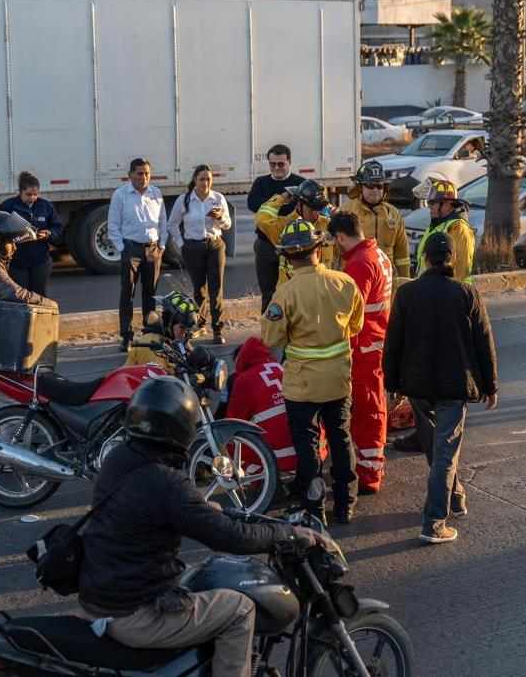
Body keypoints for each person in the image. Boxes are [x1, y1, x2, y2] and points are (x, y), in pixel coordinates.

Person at [77, 375, 321, 677]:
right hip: (133, 613)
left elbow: (148, 509)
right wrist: (288, 534)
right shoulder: (168, 482)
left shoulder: (120, 458)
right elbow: (232, 538)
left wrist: (200, 509)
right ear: (180, 428)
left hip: (103, 594)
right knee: (240, 609)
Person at [384, 233, 498, 545]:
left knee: (438, 447)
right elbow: (484, 343)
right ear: (453, 259)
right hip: (454, 385)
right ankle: (434, 522)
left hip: (417, 385)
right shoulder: (467, 293)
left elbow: (393, 343)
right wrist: (490, 386)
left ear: (425, 259)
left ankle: (456, 498)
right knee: (445, 451)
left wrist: (391, 385)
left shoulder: (407, 294)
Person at [260, 219, 363, 524]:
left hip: (302, 385)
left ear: (287, 257)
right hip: (338, 381)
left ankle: (315, 508)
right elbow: (355, 325)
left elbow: (272, 338)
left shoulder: (285, 293)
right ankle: (346, 503)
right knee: (341, 439)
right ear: (319, 248)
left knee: (308, 449)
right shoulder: (344, 282)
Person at [328, 211, 393, 494]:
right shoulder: (376, 254)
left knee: (367, 411)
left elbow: (346, 315)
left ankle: (368, 473)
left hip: (364, 349)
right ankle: (369, 465)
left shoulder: (359, 265)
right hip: (375, 344)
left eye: (335, 240)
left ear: (341, 236)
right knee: (370, 407)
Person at [168, 165, 232, 344]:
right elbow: (172, 224)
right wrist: (181, 244)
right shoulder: (185, 199)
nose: (206, 182)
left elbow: (227, 225)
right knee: (199, 290)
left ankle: (218, 329)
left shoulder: (218, 198)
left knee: (216, 288)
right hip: (193, 247)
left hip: (215, 246)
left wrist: (219, 218)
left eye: (209, 179)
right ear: (195, 180)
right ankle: (200, 324)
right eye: (202, 179)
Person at [109, 158, 167, 352]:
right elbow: (113, 225)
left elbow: (162, 222)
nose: (144, 177)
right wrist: (122, 249)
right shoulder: (121, 195)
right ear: (130, 175)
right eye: (140, 173)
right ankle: (126, 336)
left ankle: (149, 334)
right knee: (128, 293)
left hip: (152, 250)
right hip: (131, 250)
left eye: (147, 173)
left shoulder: (156, 193)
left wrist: (162, 246)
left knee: (151, 295)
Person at [246, 144, 305, 312]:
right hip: (265, 245)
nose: (276, 168)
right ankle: (268, 331)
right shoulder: (261, 182)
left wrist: (269, 205)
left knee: (294, 290)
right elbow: (252, 204)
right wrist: (280, 200)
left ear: (289, 162)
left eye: (281, 164)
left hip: (294, 245)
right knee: (268, 292)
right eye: (273, 164)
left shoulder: (300, 183)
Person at [223, 336, 294, 473]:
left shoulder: (244, 380)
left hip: (276, 456)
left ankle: (261, 482)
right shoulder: (282, 368)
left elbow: (233, 420)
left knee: (230, 445)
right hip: (307, 449)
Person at [254, 179, 334, 287]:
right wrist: (282, 198)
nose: (316, 213)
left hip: (321, 291)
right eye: (311, 208)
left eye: (319, 208)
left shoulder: (327, 224)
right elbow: (262, 220)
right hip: (292, 294)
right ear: (299, 204)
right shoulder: (285, 227)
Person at [339, 160, 411, 278]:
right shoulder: (346, 211)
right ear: (360, 187)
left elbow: (402, 253)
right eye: (370, 186)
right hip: (355, 276)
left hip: (385, 278)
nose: (375, 190)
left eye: (379, 186)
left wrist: (405, 281)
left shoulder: (393, 214)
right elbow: (335, 250)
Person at [0, 171, 64, 296]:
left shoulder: (46, 206)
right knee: (21, 296)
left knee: (39, 296)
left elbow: (58, 227)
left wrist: (49, 233)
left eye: (35, 194)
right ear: (20, 192)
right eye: (28, 195)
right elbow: (0, 230)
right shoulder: (8, 206)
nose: (32, 198)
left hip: (40, 260)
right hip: (17, 261)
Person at [413, 177, 475, 283]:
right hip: (431, 287)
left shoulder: (458, 228)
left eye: (432, 203)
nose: (429, 207)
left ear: (447, 204)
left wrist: (452, 292)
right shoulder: (437, 224)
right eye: (429, 203)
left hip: (448, 291)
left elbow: (461, 267)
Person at [123, 291, 200, 373]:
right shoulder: (153, 348)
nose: (184, 333)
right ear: (169, 322)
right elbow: (161, 381)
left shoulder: (174, 339)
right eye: (182, 327)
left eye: (187, 329)